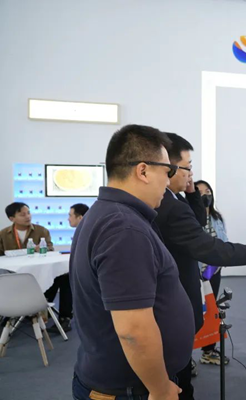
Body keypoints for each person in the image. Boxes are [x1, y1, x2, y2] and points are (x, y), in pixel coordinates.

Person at [154, 133, 246, 399]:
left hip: (179, 300)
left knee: (181, 377)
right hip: (172, 305)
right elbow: (213, 248)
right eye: (187, 167)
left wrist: (191, 191)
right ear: (169, 168)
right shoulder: (166, 205)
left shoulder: (174, 199)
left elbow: (197, 222)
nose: (191, 173)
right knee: (178, 384)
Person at [70, 124, 192, 400]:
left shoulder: (108, 214)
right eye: (167, 171)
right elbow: (133, 330)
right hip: (131, 389)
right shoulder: (124, 229)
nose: (169, 181)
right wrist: (160, 388)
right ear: (143, 171)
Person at [194, 179, 228, 366]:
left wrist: (215, 266)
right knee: (192, 314)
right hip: (195, 274)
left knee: (211, 312)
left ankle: (208, 351)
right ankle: (185, 358)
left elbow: (224, 241)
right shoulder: (189, 217)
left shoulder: (217, 217)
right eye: (199, 192)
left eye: (207, 191)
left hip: (213, 272)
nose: (205, 195)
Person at [44, 203, 90, 333]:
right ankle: (55, 313)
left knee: (63, 277)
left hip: (87, 272)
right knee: (61, 276)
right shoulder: (84, 230)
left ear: (80, 217)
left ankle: (48, 310)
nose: (68, 219)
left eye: (70, 215)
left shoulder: (86, 232)